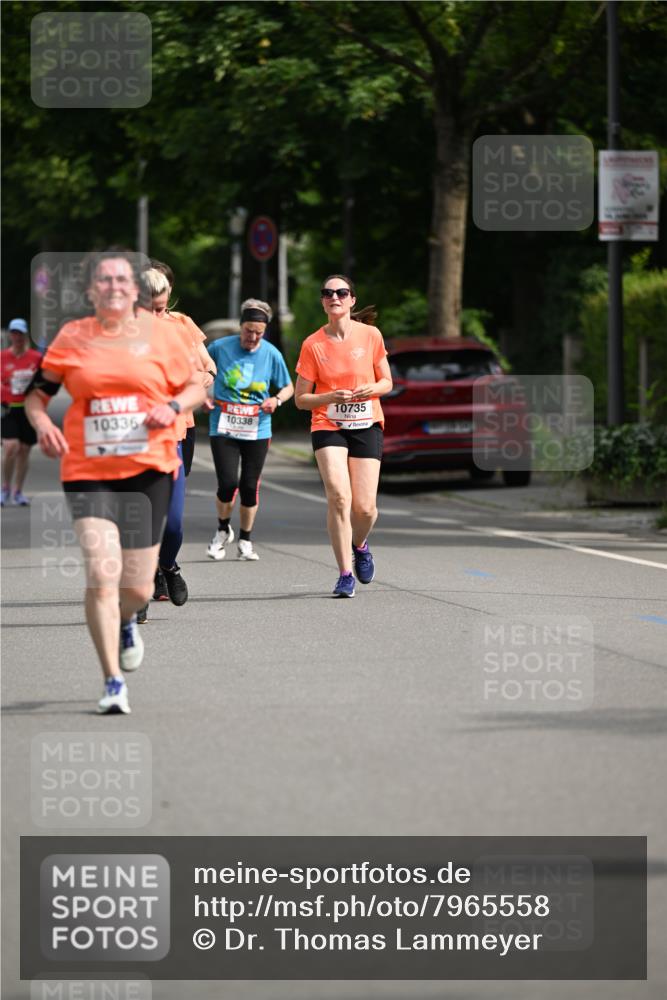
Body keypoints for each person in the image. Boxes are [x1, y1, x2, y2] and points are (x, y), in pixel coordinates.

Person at [24, 250, 206, 714]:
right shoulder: (72, 337)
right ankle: (112, 681)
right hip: (89, 471)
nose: (113, 287)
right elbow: (37, 396)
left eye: (121, 280)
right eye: (103, 281)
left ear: (134, 290)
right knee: (102, 574)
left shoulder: (164, 336)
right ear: (92, 291)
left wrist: (176, 406)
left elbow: (195, 385)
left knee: (139, 589)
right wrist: (43, 424)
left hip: (149, 468)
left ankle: (128, 620)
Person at [294, 274, 392, 597]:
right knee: (339, 496)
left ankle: (360, 544)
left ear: (352, 299)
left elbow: (387, 383)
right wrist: (327, 398)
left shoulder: (371, 335)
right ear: (323, 301)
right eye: (327, 293)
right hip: (328, 423)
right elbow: (300, 399)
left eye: (341, 292)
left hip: (366, 422)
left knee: (365, 510)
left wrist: (371, 389)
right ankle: (344, 574)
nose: (334, 297)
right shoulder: (312, 344)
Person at [135, 264, 216, 622]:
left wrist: (195, 382)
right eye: (151, 306)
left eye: (162, 304)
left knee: (172, 523)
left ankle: (167, 565)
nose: (158, 313)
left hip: (176, 432)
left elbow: (207, 370)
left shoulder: (180, 326)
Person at [206, 298, 293, 561]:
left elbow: (288, 387)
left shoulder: (271, 353)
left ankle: (245, 539)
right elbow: (197, 371)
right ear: (240, 326)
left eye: (258, 333)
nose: (253, 337)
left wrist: (276, 400)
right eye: (248, 331)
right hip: (223, 426)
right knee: (227, 482)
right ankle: (222, 531)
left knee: (248, 484)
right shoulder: (219, 348)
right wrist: (203, 394)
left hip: (257, 428)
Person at [1, 318, 42, 505]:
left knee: (24, 450)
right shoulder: (3, 357)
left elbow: (44, 381)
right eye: (14, 333)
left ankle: (18, 491)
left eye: (20, 334)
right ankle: (4, 488)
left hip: (28, 410)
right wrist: (6, 391)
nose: (17, 337)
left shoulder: (35, 358)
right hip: (8, 410)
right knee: (11, 447)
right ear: (10, 335)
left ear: (26, 335)